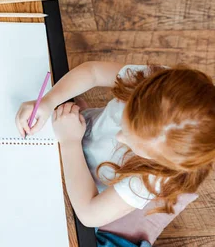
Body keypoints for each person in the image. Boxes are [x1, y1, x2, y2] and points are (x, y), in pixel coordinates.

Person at [15, 62, 215, 232]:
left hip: (79, 183)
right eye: (125, 121)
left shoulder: (151, 180)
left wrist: (70, 142)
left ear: (162, 160)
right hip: (73, 129)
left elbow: (88, 214)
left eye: (134, 143)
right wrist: (49, 101)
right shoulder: (155, 86)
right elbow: (93, 71)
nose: (119, 137)